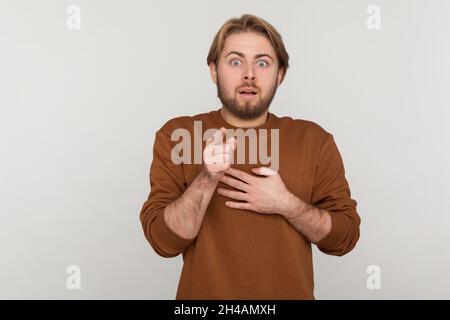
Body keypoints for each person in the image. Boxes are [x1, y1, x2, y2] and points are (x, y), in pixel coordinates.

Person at [139, 14, 361, 299]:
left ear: (280, 74)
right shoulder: (178, 135)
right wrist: (207, 179)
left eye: (262, 62)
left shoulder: (314, 140)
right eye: (235, 61)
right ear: (213, 71)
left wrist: (286, 204)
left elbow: (344, 238)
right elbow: (163, 242)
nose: (249, 74)